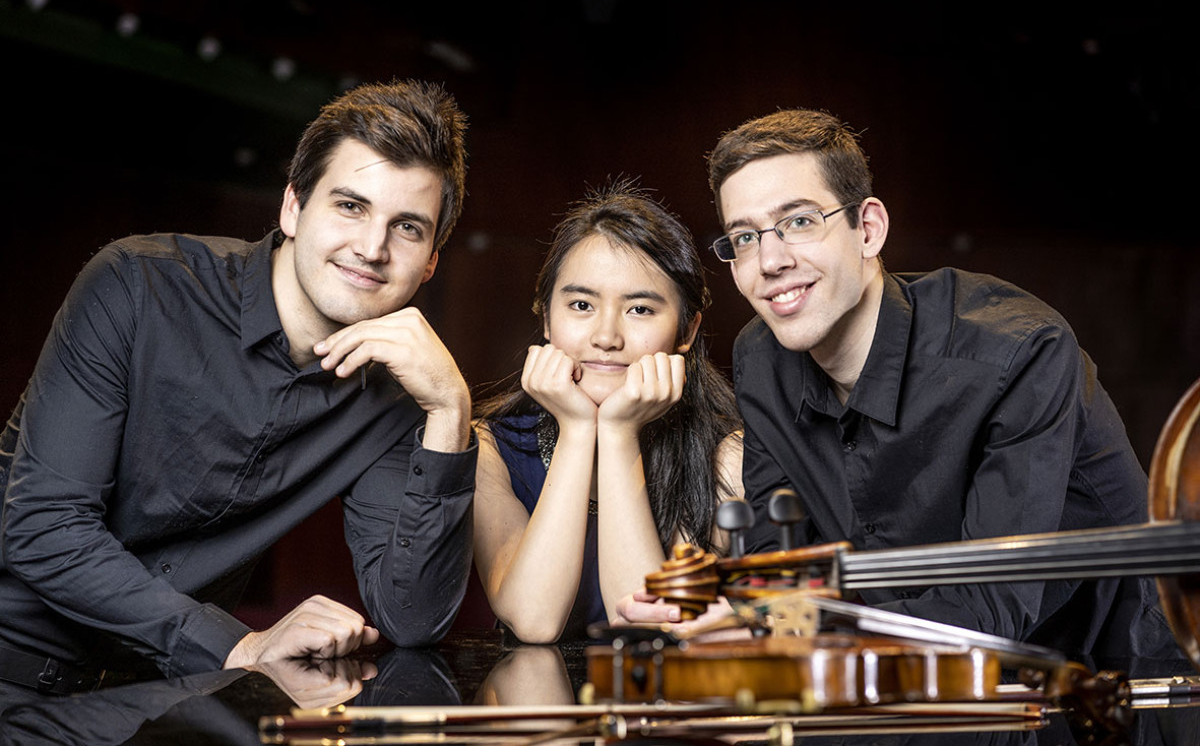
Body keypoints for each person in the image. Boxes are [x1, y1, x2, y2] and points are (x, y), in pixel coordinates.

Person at [0, 79, 476, 695]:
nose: (372, 248)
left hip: (158, 705)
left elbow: (412, 620)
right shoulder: (138, 288)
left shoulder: (398, 398)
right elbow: (43, 525)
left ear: (432, 260)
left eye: (407, 227)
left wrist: (449, 409)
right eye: (350, 206)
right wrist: (237, 644)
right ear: (293, 209)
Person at [703, 107, 1182, 662]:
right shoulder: (761, 358)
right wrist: (741, 621)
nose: (769, 260)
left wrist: (798, 637)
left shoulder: (1017, 352)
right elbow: (781, 568)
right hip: (905, 682)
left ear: (868, 229)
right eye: (743, 237)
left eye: (801, 222)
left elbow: (993, 607)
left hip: (1105, 684)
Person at [471, 183, 742, 642]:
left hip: (664, 708)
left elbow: (647, 624)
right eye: (581, 305)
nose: (606, 337)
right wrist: (578, 428)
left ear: (686, 330)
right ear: (546, 318)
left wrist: (617, 432)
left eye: (639, 309)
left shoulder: (725, 452)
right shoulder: (491, 446)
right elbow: (533, 619)